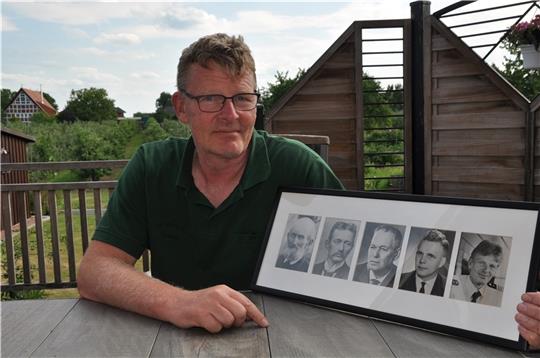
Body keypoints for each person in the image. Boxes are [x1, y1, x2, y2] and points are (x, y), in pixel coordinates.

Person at [77, 33, 343, 334]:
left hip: (284, 336)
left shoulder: (300, 168)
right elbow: (95, 271)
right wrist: (181, 303)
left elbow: (351, 262)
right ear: (181, 108)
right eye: (211, 99)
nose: (230, 115)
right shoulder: (152, 166)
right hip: (173, 341)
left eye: (243, 99)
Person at [450, 240, 503, 307]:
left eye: (492, 266)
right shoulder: (451, 286)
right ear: (470, 263)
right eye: (482, 263)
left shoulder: (495, 299)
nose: (486, 270)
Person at [399, 229, 448, 296]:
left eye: (430, 256)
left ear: (441, 262)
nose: (422, 260)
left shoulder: (449, 287)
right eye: (420, 253)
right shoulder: (398, 280)